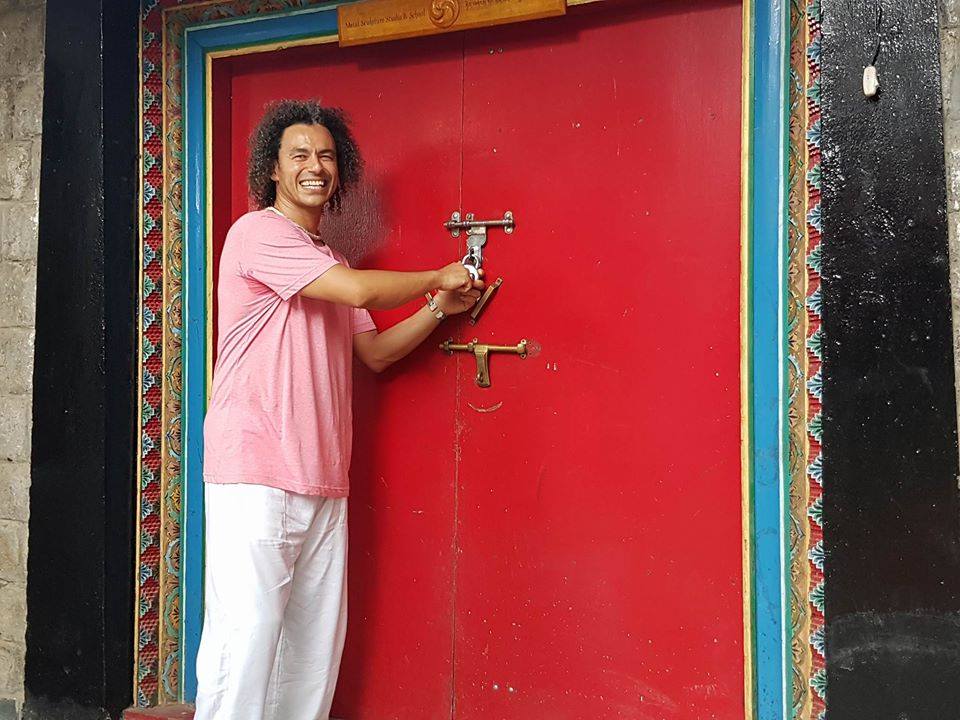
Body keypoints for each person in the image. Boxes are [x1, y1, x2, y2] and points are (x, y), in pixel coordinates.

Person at [194, 99, 483, 720]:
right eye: (299, 155)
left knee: (310, 657)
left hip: (323, 475)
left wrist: (438, 310)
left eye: (326, 156)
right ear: (273, 169)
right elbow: (355, 292)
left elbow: (374, 353)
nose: (315, 166)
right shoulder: (257, 234)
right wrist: (438, 275)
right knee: (244, 648)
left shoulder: (330, 261)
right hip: (257, 472)